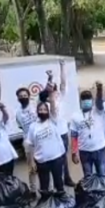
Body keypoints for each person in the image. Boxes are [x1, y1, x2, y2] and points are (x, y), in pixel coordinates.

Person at [38, 59, 75, 187]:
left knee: (64, 157)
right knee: (55, 159)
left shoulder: (60, 97)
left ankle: (67, 178)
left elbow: (63, 83)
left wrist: (62, 66)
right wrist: (49, 78)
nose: (53, 90)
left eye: (53, 88)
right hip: (51, 135)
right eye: (50, 89)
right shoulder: (43, 105)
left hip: (63, 132)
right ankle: (55, 181)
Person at [25, 96, 66, 193]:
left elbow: (52, 107)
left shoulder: (52, 120)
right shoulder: (33, 127)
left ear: (48, 111)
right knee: (44, 185)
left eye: (44, 109)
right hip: (41, 161)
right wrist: (32, 162)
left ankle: (61, 202)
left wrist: (51, 96)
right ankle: (46, 204)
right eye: (40, 109)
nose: (42, 111)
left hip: (56, 158)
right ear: (37, 111)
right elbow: (30, 145)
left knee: (58, 183)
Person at [71, 83, 105, 176]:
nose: (86, 101)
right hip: (85, 151)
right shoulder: (75, 116)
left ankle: (103, 191)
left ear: (92, 100)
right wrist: (74, 152)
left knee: (102, 175)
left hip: (99, 149)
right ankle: (90, 191)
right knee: (88, 177)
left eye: (88, 99)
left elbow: (99, 101)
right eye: (84, 99)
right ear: (80, 101)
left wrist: (99, 90)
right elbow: (74, 136)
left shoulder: (97, 111)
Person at [16, 87, 38, 196]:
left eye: (25, 96)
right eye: (21, 96)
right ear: (18, 98)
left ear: (29, 96)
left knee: (44, 166)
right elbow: (20, 126)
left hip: (40, 139)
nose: (23, 98)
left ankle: (48, 188)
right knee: (31, 168)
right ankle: (33, 190)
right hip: (28, 142)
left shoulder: (35, 106)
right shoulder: (18, 112)